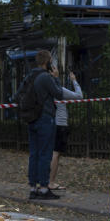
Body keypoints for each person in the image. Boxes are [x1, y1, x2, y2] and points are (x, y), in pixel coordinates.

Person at [25, 49, 65, 200]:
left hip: (31, 118)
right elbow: (59, 93)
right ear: (47, 62)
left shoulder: (29, 76)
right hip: (45, 118)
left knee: (34, 153)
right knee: (45, 154)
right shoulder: (45, 77)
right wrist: (56, 78)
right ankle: (43, 188)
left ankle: (33, 188)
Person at [49, 66, 82, 191]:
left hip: (48, 123)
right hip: (60, 124)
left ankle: (42, 181)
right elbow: (79, 96)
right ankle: (51, 182)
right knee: (55, 154)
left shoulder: (43, 90)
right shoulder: (58, 90)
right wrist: (74, 80)